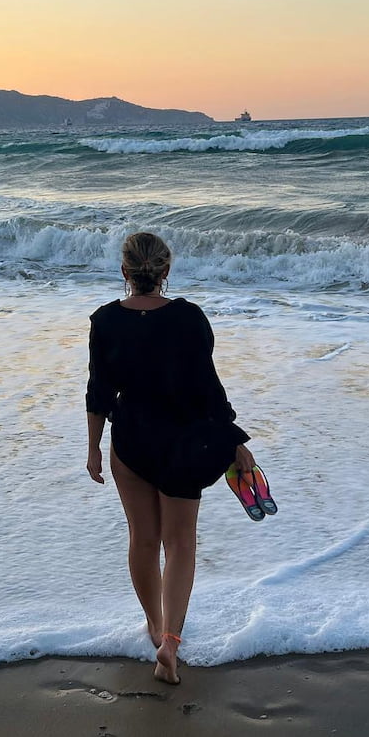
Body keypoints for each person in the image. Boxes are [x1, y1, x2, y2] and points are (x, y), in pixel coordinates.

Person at [85, 231, 255, 685]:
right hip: (184, 443)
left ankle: (154, 624)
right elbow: (208, 389)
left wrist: (93, 447)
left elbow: (99, 391)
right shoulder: (189, 317)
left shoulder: (105, 320)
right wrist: (235, 440)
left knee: (143, 539)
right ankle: (171, 642)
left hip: (131, 439)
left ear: (124, 271)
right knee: (180, 543)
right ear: (166, 271)